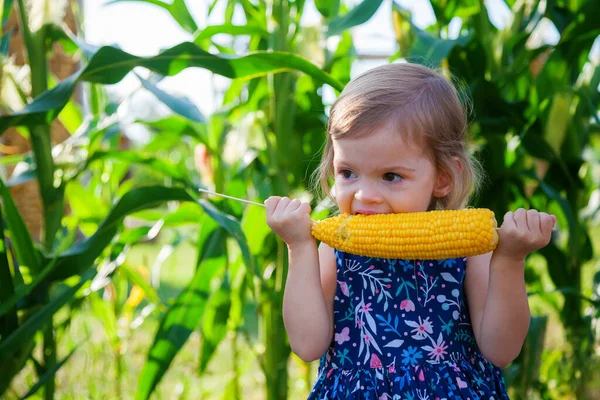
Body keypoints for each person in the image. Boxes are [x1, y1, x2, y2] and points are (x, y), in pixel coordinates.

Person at [265, 63, 555, 399]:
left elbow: (501, 349)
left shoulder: (469, 251)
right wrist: (298, 247)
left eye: (391, 176)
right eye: (348, 172)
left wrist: (510, 259)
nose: (363, 195)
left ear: (443, 177)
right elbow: (307, 344)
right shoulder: (335, 249)